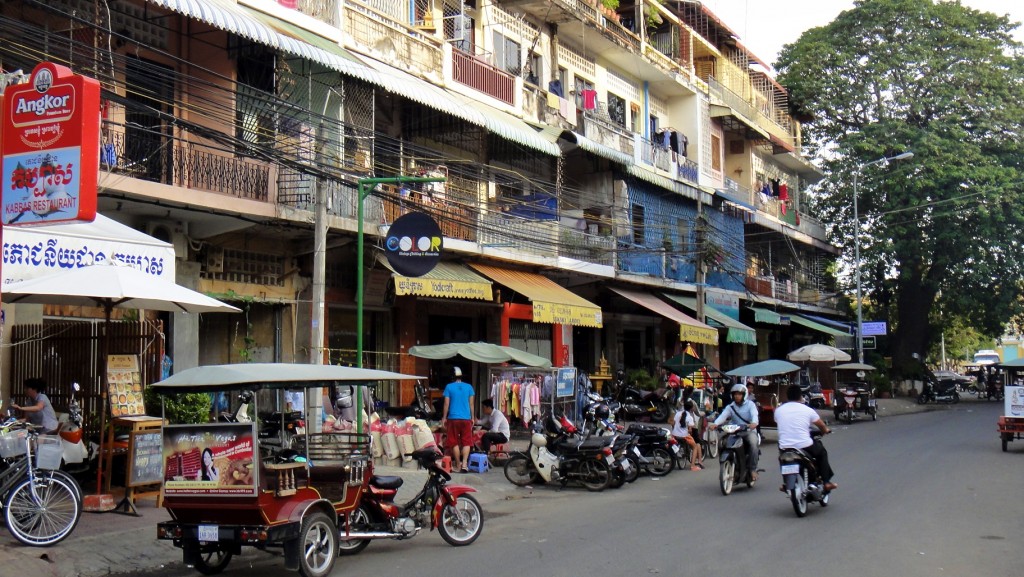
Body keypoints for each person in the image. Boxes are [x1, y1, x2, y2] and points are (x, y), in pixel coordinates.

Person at [775, 384, 836, 491]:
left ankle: (786, 483)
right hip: (804, 445)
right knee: (822, 453)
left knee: (782, 459)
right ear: (800, 396)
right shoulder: (807, 410)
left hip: (784, 446)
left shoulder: (778, 410)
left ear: (787, 397)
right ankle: (826, 482)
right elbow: (821, 425)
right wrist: (825, 431)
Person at [709, 384, 760, 480]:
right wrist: (715, 424)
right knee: (722, 442)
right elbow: (723, 416)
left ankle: (753, 469)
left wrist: (754, 423)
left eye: (739, 394)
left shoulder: (750, 405)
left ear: (744, 395)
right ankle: (724, 464)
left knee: (753, 443)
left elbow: (754, 415)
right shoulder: (730, 407)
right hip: (734, 432)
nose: (737, 396)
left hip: (748, 431)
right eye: (735, 394)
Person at [442, 366, 475, 473]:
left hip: (453, 419)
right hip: (466, 419)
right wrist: (472, 417)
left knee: (453, 442)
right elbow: (471, 404)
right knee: (466, 442)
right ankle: (465, 464)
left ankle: (458, 465)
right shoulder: (469, 387)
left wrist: (444, 418)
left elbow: (446, 403)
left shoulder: (449, 387)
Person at [672, 400, 703, 471]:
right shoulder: (690, 417)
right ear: (692, 408)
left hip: (675, 435)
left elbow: (673, 423)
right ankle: (692, 466)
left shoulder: (677, 414)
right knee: (695, 446)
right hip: (684, 436)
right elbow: (690, 430)